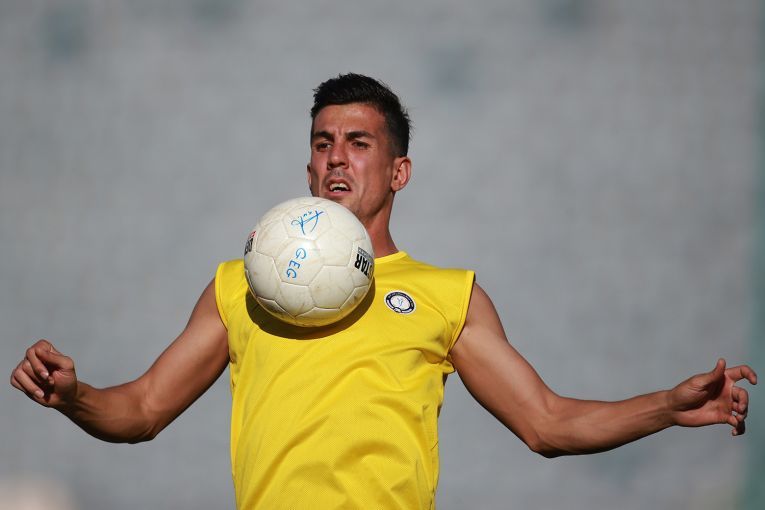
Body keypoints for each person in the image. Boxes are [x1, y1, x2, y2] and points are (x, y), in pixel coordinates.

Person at [10, 74, 757, 509]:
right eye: (322, 143)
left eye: (358, 143)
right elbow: (143, 409)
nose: (337, 158)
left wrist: (666, 406)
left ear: (398, 172)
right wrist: (75, 396)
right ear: (308, 168)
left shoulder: (446, 295)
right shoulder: (242, 284)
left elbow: (547, 422)